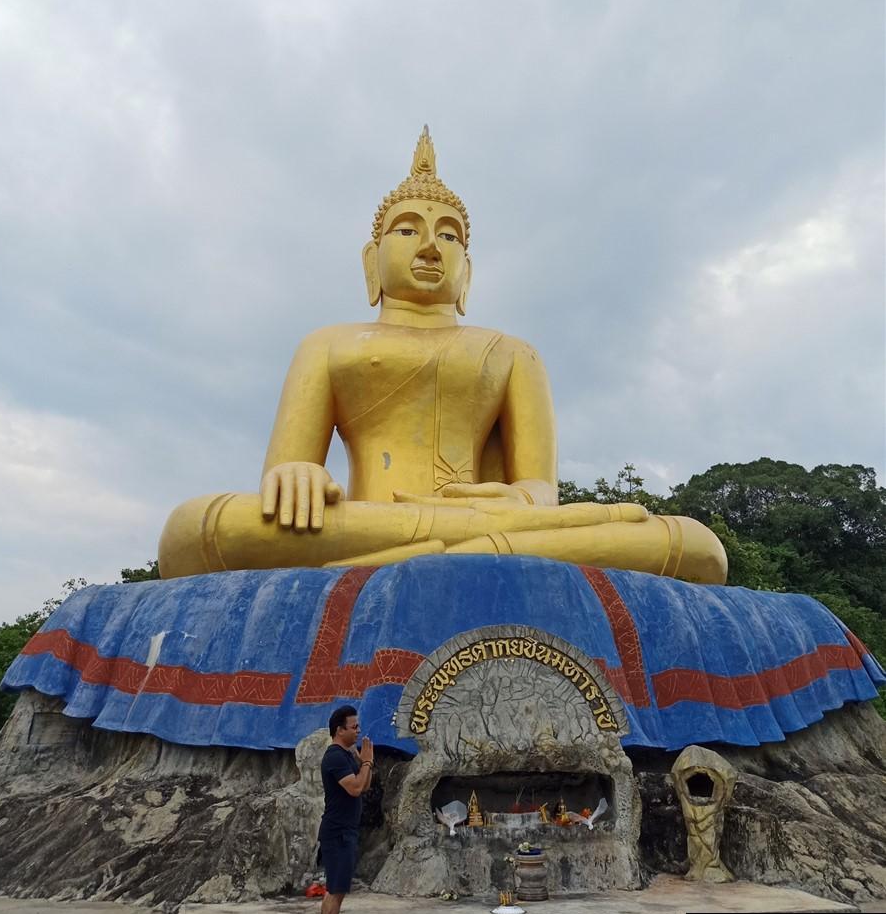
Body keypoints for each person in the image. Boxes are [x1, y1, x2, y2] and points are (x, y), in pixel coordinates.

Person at [158, 128, 726, 584]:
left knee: (698, 547)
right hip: (369, 520)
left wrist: (518, 501)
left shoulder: (511, 353)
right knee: (192, 530)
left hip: (485, 520)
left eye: (449, 236)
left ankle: (451, 550)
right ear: (370, 261)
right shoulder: (327, 344)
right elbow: (284, 473)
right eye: (408, 230)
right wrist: (298, 473)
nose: (431, 246)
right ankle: (477, 555)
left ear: (467, 272)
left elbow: (539, 491)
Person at [318, 704, 373, 914]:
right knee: (335, 890)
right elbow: (356, 788)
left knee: (337, 890)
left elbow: (366, 786)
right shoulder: (334, 757)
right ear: (340, 730)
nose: (358, 730)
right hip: (337, 831)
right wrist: (367, 763)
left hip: (347, 830)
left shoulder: (348, 755)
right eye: (354, 727)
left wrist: (364, 763)